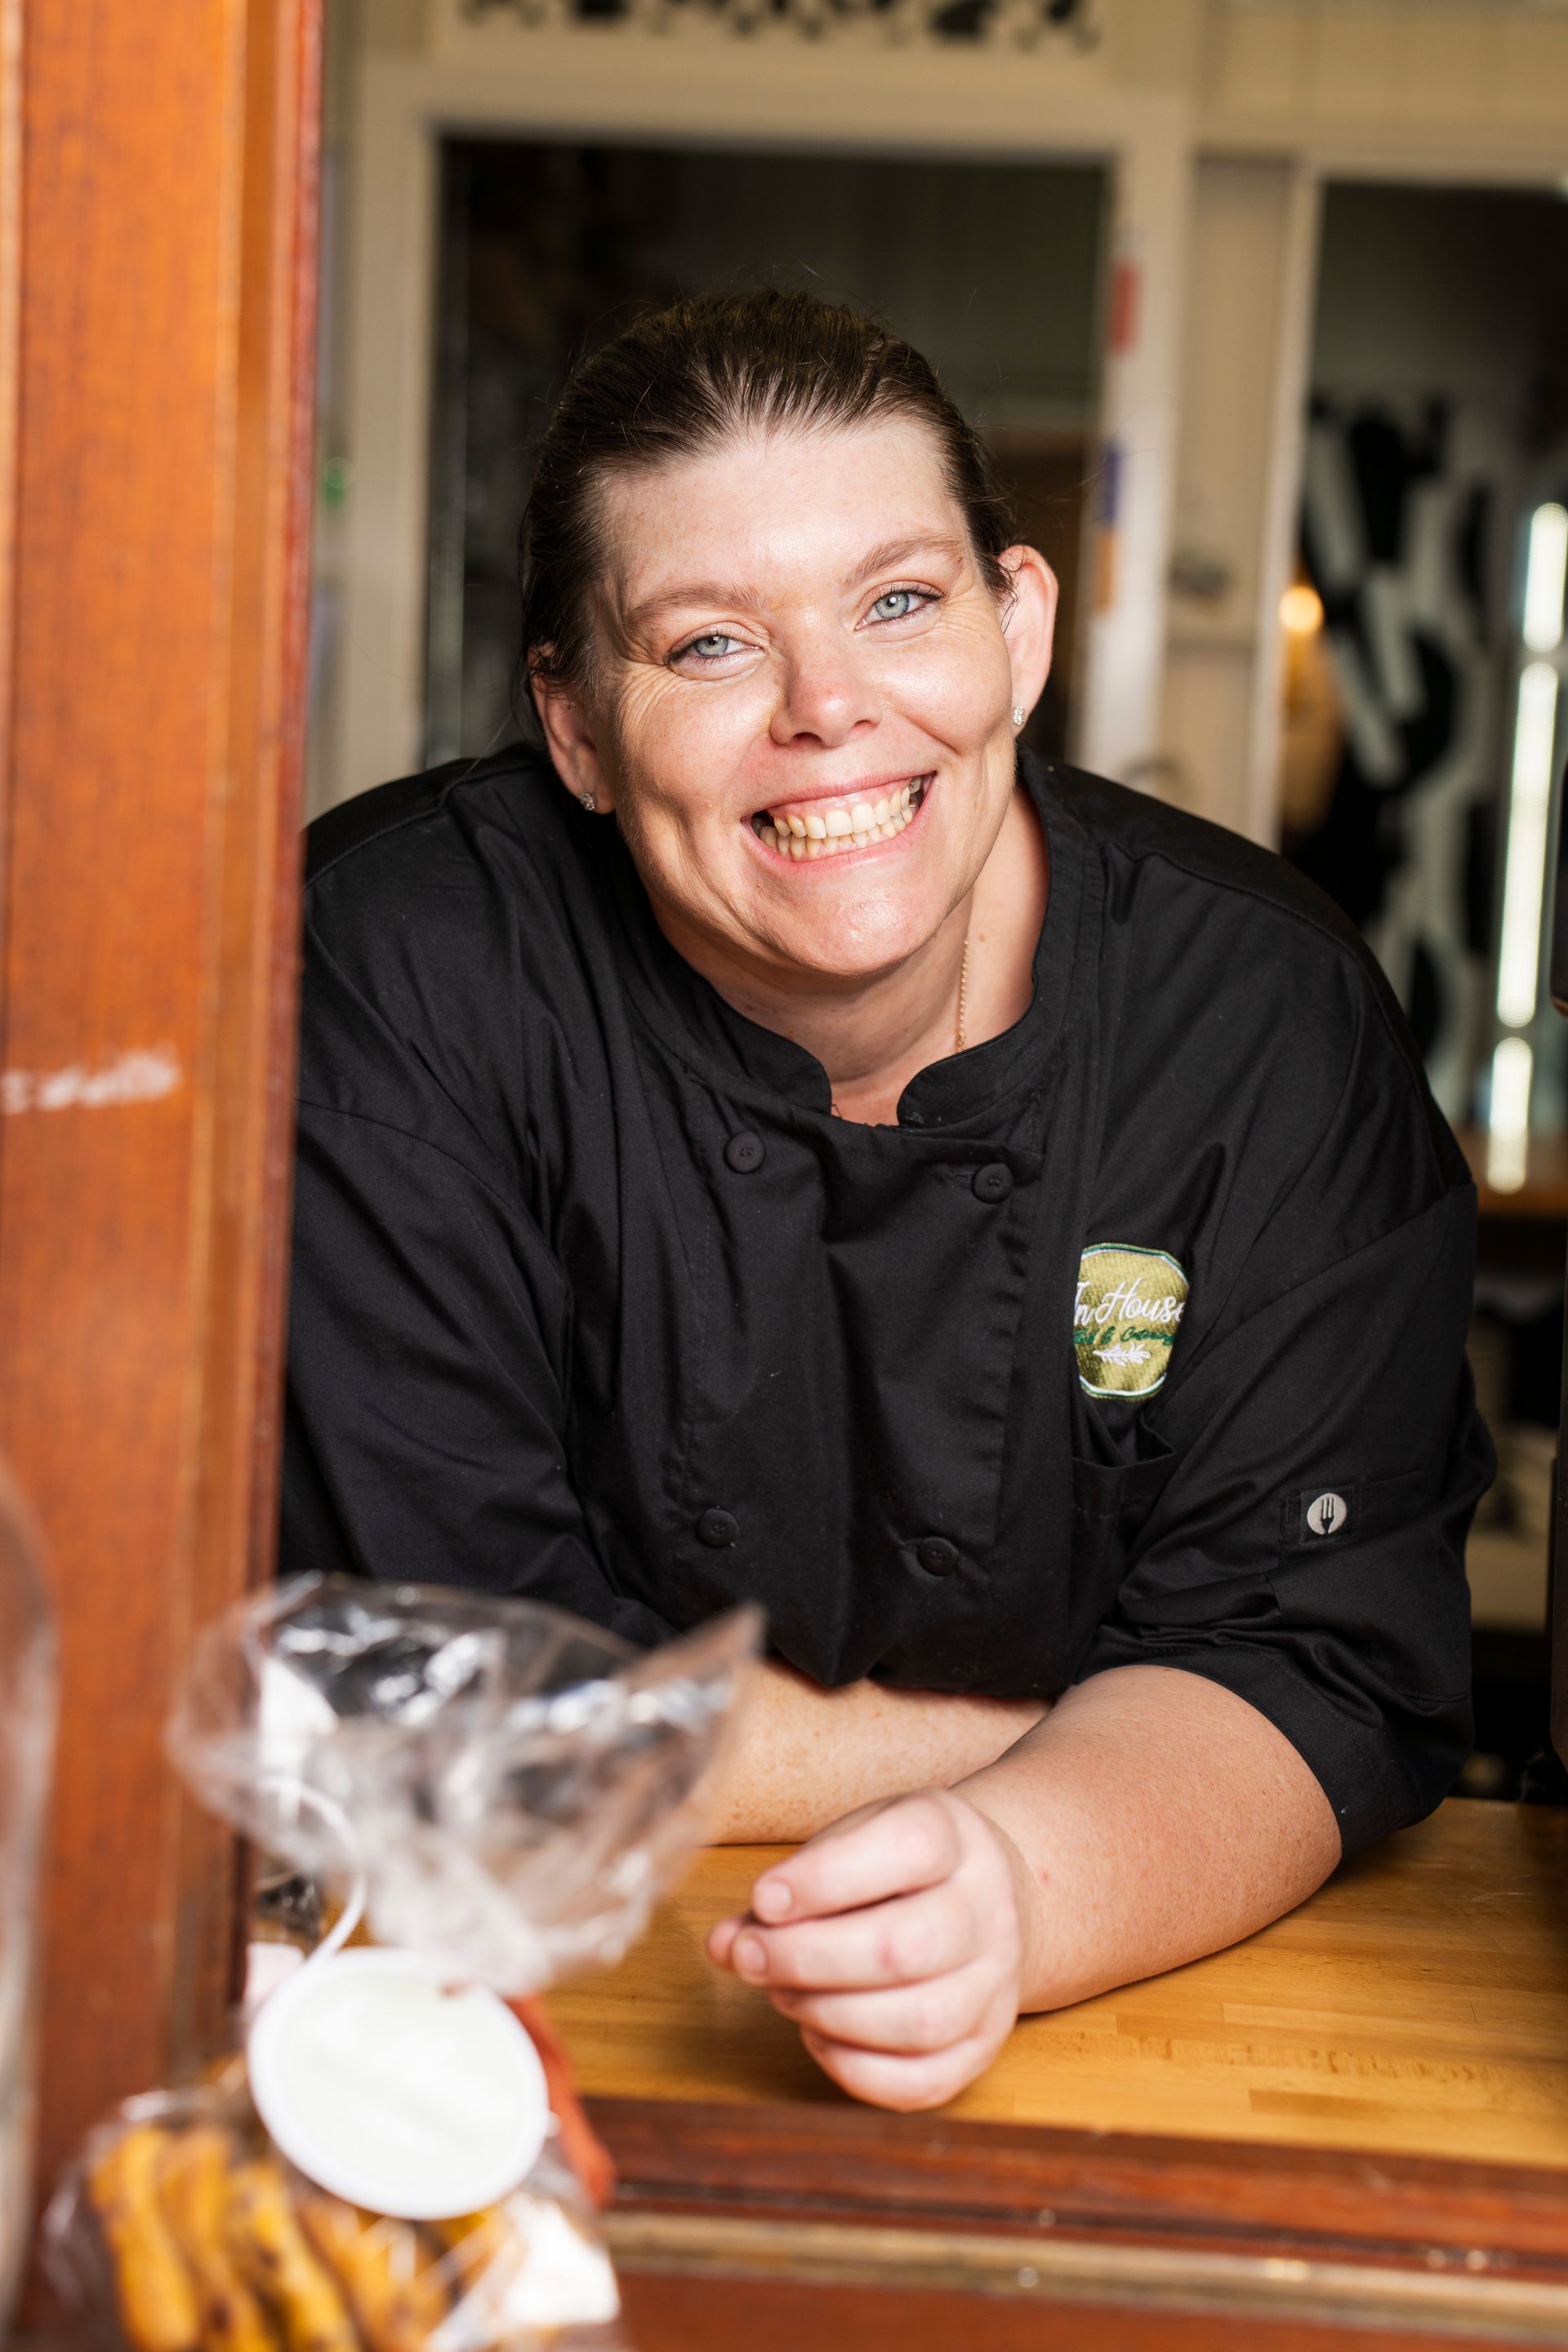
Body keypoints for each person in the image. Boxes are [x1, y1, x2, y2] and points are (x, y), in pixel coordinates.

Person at [284, 291, 1490, 2113]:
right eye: (707, 646)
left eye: (899, 602)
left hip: (1144, 2026)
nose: (829, 709)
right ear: (577, 729)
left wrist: (1024, 1874)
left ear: (1019, 627)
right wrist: (1044, 1741)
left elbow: (1310, 1655)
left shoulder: (1261, 1025)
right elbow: (438, 1709)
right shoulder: (395, 972)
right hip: (488, 2047)